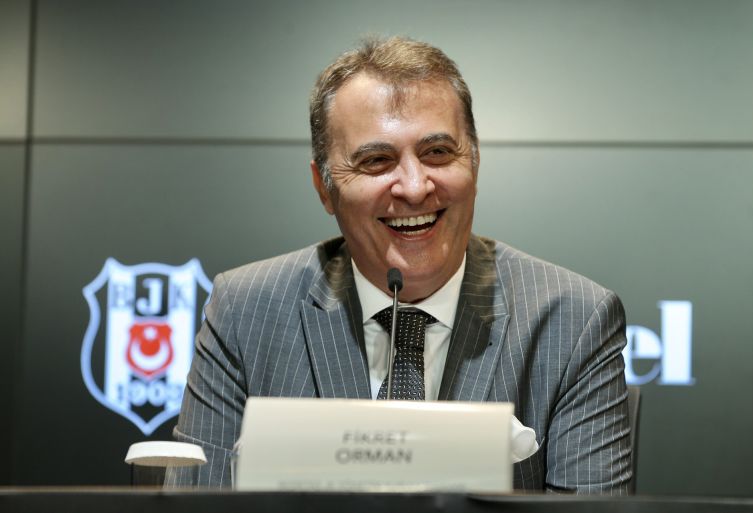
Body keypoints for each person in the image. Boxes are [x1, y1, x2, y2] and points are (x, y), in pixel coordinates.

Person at [167, 36, 631, 493]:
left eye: (437, 153)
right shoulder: (245, 312)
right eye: (376, 160)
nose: (413, 186)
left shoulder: (574, 320)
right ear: (324, 187)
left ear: (475, 160)